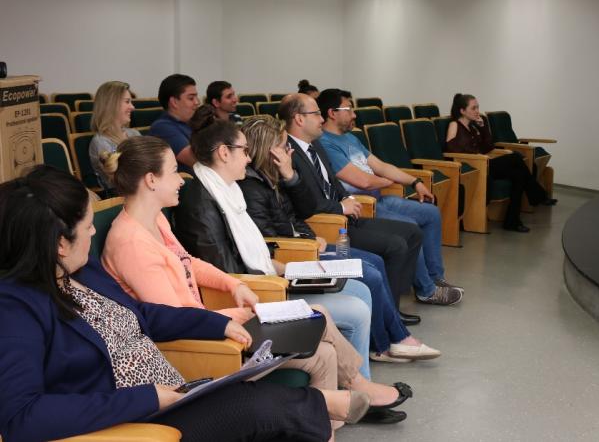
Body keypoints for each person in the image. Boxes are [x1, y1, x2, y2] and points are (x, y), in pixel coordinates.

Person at [0, 165, 365, 442]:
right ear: (59, 243)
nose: (94, 233)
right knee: (258, 410)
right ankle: (324, 404)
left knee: (243, 391)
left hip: (168, 393)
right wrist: (145, 399)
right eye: (87, 226)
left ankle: (321, 404)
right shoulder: (16, 309)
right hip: (131, 421)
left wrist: (214, 324)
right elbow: (22, 416)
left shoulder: (81, 271)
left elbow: (142, 315)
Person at [98, 136, 411, 425]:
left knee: (324, 354)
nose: (181, 178)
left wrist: (233, 285)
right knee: (319, 315)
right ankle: (357, 384)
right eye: (173, 172)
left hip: (210, 325)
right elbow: (174, 317)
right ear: (151, 180)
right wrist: (242, 315)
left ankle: (328, 426)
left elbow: (189, 263)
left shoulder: (155, 219)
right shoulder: (131, 243)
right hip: (194, 346)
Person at [171, 107, 379, 369]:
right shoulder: (203, 203)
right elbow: (226, 270)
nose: (249, 159)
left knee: (359, 289)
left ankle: (356, 386)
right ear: (224, 153)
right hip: (258, 294)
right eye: (244, 151)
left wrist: (293, 269)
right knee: (356, 310)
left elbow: (256, 247)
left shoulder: (228, 191)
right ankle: (359, 387)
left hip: (267, 280)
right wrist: (286, 274)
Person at [239, 116, 440, 364]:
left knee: (375, 262)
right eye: (283, 146)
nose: (289, 150)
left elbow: (299, 212)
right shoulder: (253, 187)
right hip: (296, 256)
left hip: (308, 245)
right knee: (372, 272)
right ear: (270, 151)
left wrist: (292, 180)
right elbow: (273, 237)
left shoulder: (276, 177)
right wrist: (309, 242)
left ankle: (394, 336)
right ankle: (387, 344)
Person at [277, 93, 425, 327]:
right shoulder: (288, 154)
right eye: (316, 114)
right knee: (395, 245)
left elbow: (332, 182)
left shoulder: (315, 144)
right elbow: (305, 201)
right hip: (326, 223)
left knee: (412, 232)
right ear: (299, 119)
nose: (321, 119)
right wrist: (340, 206)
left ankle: (391, 307)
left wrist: (346, 197)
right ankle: (389, 317)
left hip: (344, 215)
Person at [317, 89, 463, 306]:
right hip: (363, 205)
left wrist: (415, 182)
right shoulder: (325, 144)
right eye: (349, 109)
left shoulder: (351, 138)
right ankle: (426, 290)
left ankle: (436, 278)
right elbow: (363, 181)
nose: (354, 114)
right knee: (410, 225)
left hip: (380, 199)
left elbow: (381, 166)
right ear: (332, 113)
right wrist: (389, 182)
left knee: (430, 213)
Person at [445, 93, 555, 233]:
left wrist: (483, 127)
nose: (477, 111)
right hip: (474, 167)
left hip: (485, 164)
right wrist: (473, 154)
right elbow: (450, 149)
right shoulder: (454, 125)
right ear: (462, 111)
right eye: (473, 108)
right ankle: (537, 195)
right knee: (515, 158)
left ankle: (512, 221)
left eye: (478, 107)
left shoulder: (474, 127)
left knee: (518, 175)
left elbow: (488, 147)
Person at [88, 80, 141, 194]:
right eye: (127, 102)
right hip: (123, 198)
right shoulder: (100, 142)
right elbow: (119, 182)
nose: (132, 107)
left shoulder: (134, 134)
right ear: (111, 104)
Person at [150, 74, 199, 174]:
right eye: (191, 98)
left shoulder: (192, 123)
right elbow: (196, 160)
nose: (197, 102)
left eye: (196, 97)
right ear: (174, 102)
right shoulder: (162, 127)